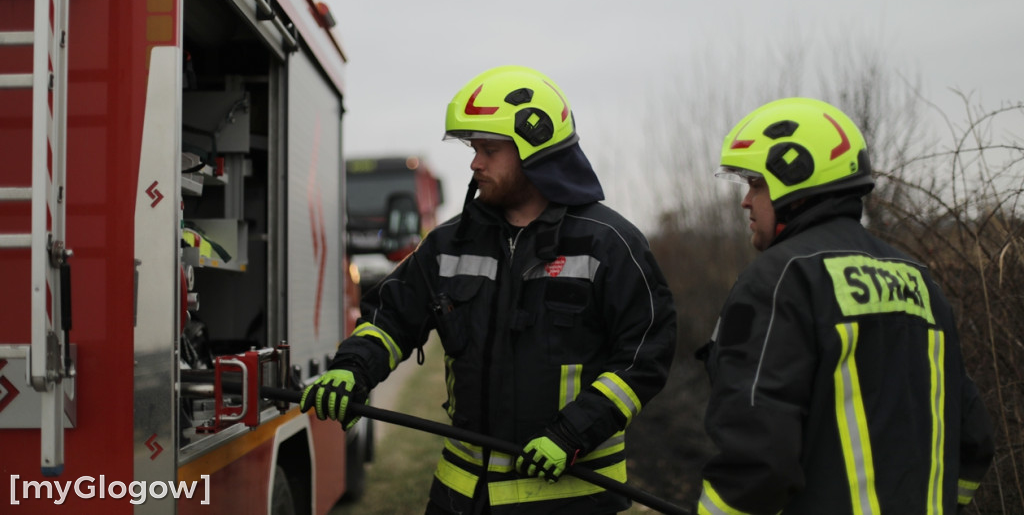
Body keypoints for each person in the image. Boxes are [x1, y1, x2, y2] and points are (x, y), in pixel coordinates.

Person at [302, 65, 677, 514]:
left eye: (489, 150)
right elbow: (391, 320)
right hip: (461, 498)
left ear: (536, 151)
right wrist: (353, 368)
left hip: (572, 498)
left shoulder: (610, 245)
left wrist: (572, 434)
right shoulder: (448, 243)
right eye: (473, 149)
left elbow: (644, 356)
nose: (475, 162)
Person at [696, 97, 995, 515]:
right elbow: (975, 440)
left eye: (756, 184)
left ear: (794, 180)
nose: (746, 201)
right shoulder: (920, 280)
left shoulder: (780, 280)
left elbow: (759, 461)